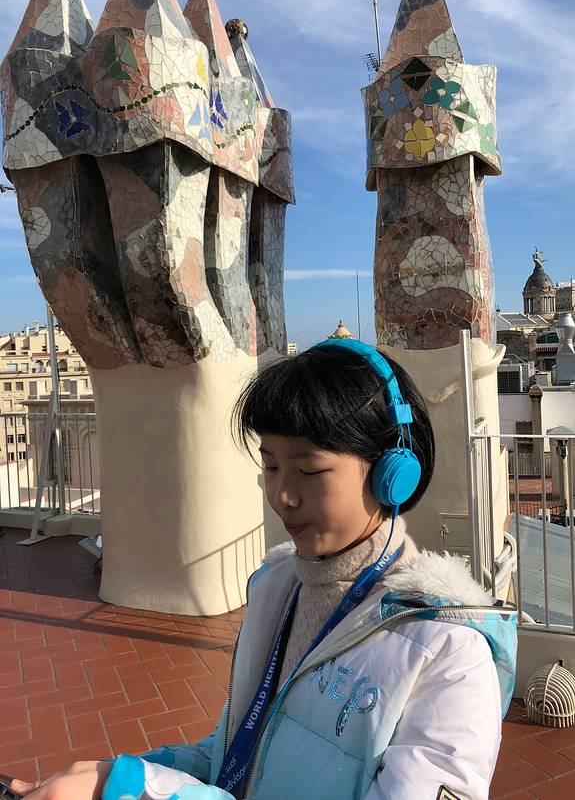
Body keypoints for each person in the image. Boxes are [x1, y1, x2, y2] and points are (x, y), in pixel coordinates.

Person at [10, 341, 517, 800]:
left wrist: (139, 791)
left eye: (309, 469)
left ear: (392, 474)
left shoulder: (449, 654)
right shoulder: (275, 588)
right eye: (270, 466)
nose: (281, 495)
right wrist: (115, 775)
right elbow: (236, 758)